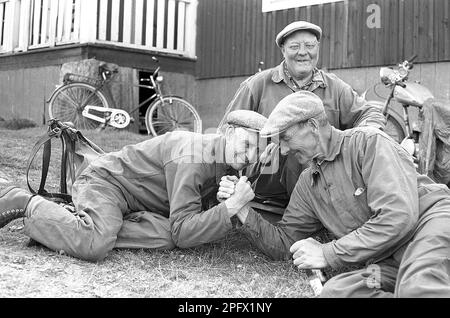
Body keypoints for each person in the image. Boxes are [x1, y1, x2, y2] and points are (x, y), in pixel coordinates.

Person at [218, 91, 450, 297]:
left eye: (286, 139)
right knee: (337, 291)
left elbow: (397, 217)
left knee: (418, 287)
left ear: (312, 126)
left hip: (426, 228)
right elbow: (285, 241)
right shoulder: (308, 183)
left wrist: (327, 253)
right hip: (385, 262)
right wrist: (241, 209)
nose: (284, 150)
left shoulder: (368, 143)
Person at [0, 110, 264, 262]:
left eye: (258, 151)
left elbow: (186, 219)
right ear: (228, 134)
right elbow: (185, 230)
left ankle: (64, 222)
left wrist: (218, 201)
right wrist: (230, 207)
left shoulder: (225, 160)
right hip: (105, 184)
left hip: (139, 202)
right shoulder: (193, 156)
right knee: (95, 243)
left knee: (166, 237)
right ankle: (23, 202)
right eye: (247, 145)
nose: (251, 157)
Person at [218, 21, 386, 207]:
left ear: (318, 48)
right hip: (267, 184)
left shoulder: (335, 87)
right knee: (291, 147)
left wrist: (362, 140)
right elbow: (226, 135)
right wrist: (229, 182)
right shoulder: (258, 85)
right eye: (294, 46)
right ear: (283, 50)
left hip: (324, 181)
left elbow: (370, 113)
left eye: (310, 46)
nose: (303, 52)